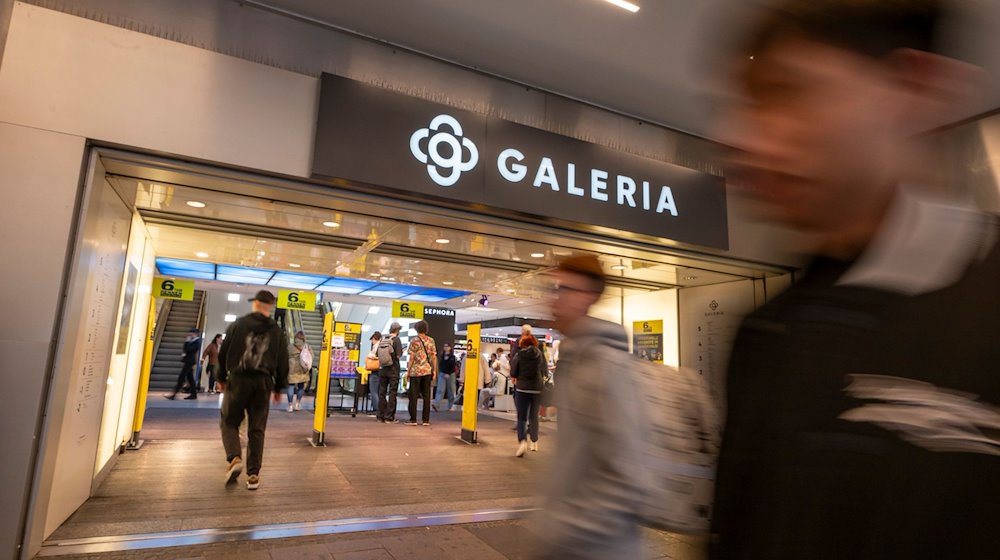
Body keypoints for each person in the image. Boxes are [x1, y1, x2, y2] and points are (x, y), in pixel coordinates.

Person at [711, 2, 999, 559]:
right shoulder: (767, 333)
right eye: (749, 104)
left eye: (789, 92)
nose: (749, 140)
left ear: (916, 89)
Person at [536, 254, 643, 559]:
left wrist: (567, 529)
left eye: (563, 289)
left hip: (598, 549)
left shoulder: (608, 366)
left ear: (589, 297)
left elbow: (628, 473)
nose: (553, 299)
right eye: (551, 288)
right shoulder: (575, 357)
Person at [216, 290, 289, 490]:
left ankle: (234, 457)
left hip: (238, 379)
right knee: (257, 429)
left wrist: (221, 377)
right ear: (270, 307)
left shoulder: (238, 324)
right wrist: (279, 387)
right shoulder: (277, 331)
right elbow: (283, 360)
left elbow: (224, 353)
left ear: (256, 304)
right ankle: (253, 475)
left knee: (229, 421)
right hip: (263, 382)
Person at [510, 334, 545, 457]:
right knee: (534, 416)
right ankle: (534, 442)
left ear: (522, 344)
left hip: (522, 389)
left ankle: (522, 442)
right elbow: (544, 369)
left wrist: (516, 377)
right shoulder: (540, 354)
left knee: (522, 418)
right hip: (537, 389)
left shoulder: (519, 354)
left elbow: (513, 370)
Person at [405, 320, 437, 426]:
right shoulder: (431, 340)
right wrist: (434, 370)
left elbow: (411, 358)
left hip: (416, 371)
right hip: (427, 371)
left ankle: (413, 419)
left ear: (416, 329)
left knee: (413, 396)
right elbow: (433, 357)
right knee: (426, 396)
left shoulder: (414, 340)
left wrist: (408, 372)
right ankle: (425, 420)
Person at [377, 322, 404, 423]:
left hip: (383, 369)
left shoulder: (383, 339)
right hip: (393, 370)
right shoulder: (396, 339)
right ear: (397, 330)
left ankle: (380, 415)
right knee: (392, 393)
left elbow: (377, 354)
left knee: (382, 392)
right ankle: (389, 416)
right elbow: (398, 355)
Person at [166, 327, 201, 400]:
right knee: (190, 378)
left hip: (190, 361)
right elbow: (185, 349)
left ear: (196, 334)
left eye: (192, 333)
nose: (190, 334)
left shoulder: (197, 342)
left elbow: (189, 349)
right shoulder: (191, 341)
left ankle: (174, 394)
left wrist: (187, 342)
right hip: (188, 361)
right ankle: (194, 394)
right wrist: (187, 342)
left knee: (181, 377)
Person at [285, 331, 311, 412]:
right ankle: (297, 404)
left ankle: (290, 406)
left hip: (291, 368)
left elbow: (284, 356)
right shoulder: (307, 347)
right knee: (301, 387)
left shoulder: (290, 347)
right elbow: (311, 356)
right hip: (302, 369)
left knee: (290, 386)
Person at [432, 343, 457, 412]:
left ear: (450, 348)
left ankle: (450, 406)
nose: (446, 347)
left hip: (450, 375)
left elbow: (453, 366)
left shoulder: (452, 357)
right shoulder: (442, 356)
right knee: (440, 389)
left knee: (451, 390)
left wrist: (448, 373)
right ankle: (437, 404)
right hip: (442, 374)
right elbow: (440, 365)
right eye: (444, 346)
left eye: (447, 346)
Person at [367, 331, 382, 416]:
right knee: (379, 391)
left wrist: (370, 355)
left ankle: (376, 409)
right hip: (381, 371)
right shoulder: (383, 346)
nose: (372, 342)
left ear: (374, 338)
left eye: (372, 340)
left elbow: (371, 356)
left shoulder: (376, 346)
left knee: (373, 391)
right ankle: (379, 408)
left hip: (375, 370)